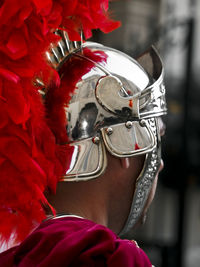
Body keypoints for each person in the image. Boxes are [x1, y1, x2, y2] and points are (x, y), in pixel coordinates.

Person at [0, 28, 167, 266]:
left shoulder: (11, 254)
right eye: (155, 139)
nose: (159, 163)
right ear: (126, 143)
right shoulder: (112, 257)